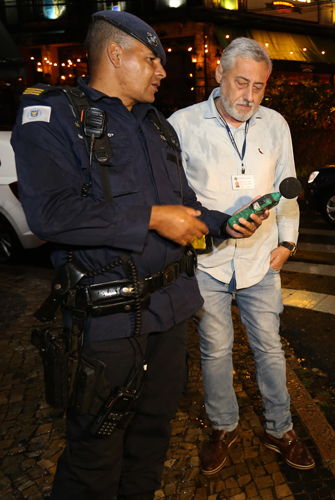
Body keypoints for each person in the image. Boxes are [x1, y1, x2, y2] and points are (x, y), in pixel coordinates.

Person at [12, 11, 262, 500]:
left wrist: (223, 224)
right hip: (106, 323)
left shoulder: (157, 127)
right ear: (114, 54)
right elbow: (50, 213)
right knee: (94, 456)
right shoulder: (56, 115)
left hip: (168, 316)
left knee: (151, 442)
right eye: (152, 59)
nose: (162, 71)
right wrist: (150, 217)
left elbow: (183, 206)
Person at [168, 37, 314, 472]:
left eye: (259, 87)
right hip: (207, 262)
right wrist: (196, 242)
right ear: (219, 74)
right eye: (241, 83)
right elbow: (177, 197)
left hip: (261, 260)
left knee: (269, 348)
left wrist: (288, 243)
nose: (248, 96)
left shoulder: (276, 125)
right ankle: (223, 426)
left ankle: (279, 428)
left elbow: (289, 187)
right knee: (215, 349)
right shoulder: (182, 124)